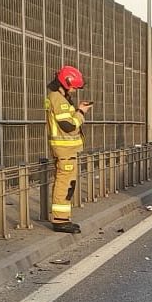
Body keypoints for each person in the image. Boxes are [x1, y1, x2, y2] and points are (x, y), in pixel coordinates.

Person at [43, 64, 89, 233]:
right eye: (74, 87)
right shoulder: (58, 99)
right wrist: (81, 113)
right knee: (64, 184)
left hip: (66, 150)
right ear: (66, 82)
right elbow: (68, 125)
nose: (75, 91)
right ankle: (60, 221)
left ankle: (63, 218)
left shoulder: (58, 97)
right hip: (64, 150)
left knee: (67, 183)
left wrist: (77, 110)